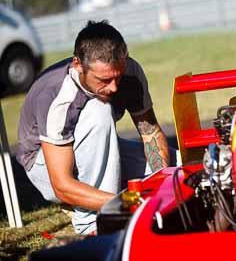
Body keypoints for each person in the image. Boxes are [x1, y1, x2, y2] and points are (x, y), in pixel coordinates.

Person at [16, 20, 174, 234]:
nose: (114, 87)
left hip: (92, 148)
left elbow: (150, 132)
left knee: (179, 170)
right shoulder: (57, 96)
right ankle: (95, 225)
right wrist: (126, 202)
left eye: (118, 76)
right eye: (104, 79)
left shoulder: (131, 72)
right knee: (99, 112)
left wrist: (162, 183)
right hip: (45, 165)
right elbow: (61, 185)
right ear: (78, 65)